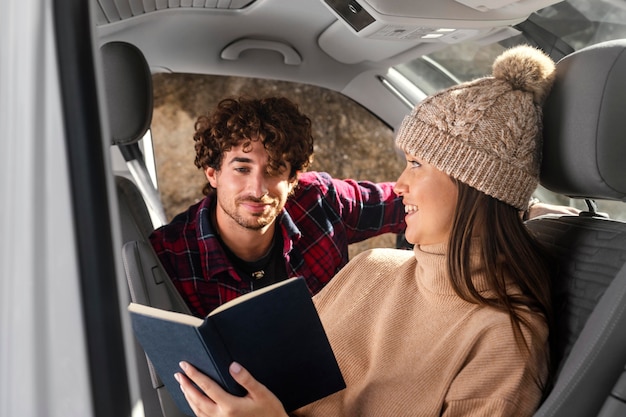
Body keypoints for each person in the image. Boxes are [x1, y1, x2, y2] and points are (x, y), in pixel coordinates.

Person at [174, 44, 558, 416]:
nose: (400, 183)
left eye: (416, 163)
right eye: (241, 169)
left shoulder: (504, 338)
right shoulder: (370, 268)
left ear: (476, 184)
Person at [149, 96, 406, 317]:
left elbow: (409, 201)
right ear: (212, 174)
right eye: (241, 169)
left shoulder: (319, 201)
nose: (258, 189)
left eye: (274, 170)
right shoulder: (169, 254)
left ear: (293, 178)